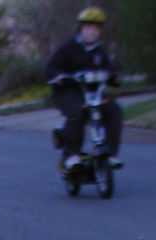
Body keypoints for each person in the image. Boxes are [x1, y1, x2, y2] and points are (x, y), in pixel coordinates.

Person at [47, 6, 123, 169]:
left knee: (114, 110)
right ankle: (71, 156)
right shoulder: (68, 48)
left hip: (93, 93)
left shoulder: (100, 51)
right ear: (80, 28)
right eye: (88, 27)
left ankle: (111, 154)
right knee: (77, 112)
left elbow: (110, 70)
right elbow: (52, 67)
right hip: (68, 92)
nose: (92, 32)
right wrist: (60, 77)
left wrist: (114, 77)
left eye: (96, 28)